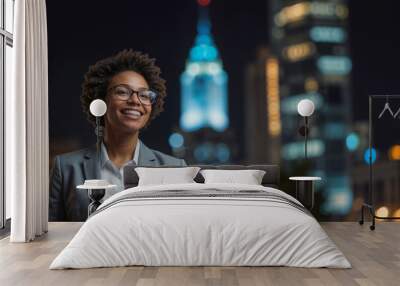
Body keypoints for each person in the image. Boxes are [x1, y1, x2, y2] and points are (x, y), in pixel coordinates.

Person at [49, 49, 186, 222]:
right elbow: (52, 233)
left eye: (144, 95)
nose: (135, 100)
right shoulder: (66, 168)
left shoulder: (175, 168)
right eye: (122, 92)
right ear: (101, 101)